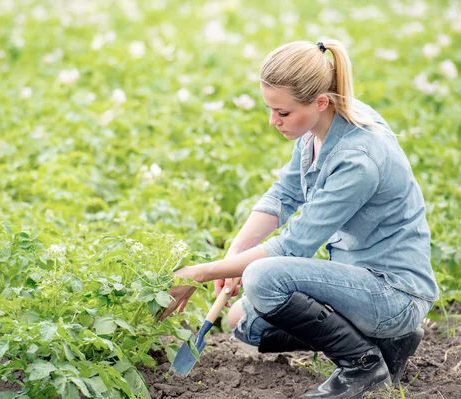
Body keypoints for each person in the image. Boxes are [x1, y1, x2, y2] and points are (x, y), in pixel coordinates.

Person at [163, 39, 439, 398]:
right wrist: (232, 259)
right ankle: (387, 341)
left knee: (263, 276)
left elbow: (293, 245)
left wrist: (201, 273)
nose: (272, 121)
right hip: (357, 282)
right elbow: (283, 196)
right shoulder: (316, 128)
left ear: (320, 101)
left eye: (282, 113)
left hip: (392, 292)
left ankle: (362, 365)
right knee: (242, 323)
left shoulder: (359, 159)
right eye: (270, 109)